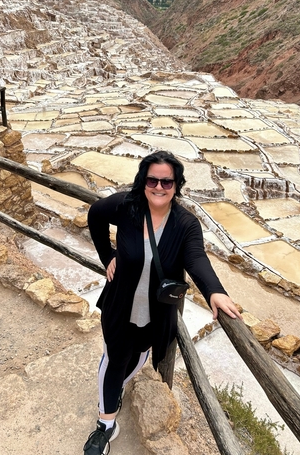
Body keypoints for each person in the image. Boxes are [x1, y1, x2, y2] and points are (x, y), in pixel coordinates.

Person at [84, 151, 242, 455]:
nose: (158, 186)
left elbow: (196, 257)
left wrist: (214, 290)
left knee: (140, 355)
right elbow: (95, 215)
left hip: (155, 315)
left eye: (166, 181)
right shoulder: (126, 206)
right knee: (116, 359)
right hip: (120, 306)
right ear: (143, 181)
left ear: (177, 184)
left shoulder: (185, 225)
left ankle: (113, 393)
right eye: (152, 179)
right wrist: (108, 257)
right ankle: (105, 426)